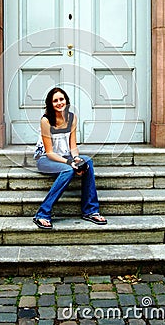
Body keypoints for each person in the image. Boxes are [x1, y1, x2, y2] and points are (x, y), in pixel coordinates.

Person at [33, 87, 107, 230]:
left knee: (88, 162)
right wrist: (70, 163)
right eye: (55, 101)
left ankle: (90, 210)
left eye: (61, 99)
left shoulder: (72, 117)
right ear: (50, 103)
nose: (59, 103)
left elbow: (73, 146)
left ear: (66, 101)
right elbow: (49, 153)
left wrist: (77, 159)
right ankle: (42, 214)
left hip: (65, 155)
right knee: (68, 170)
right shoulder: (46, 120)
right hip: (45, 158)